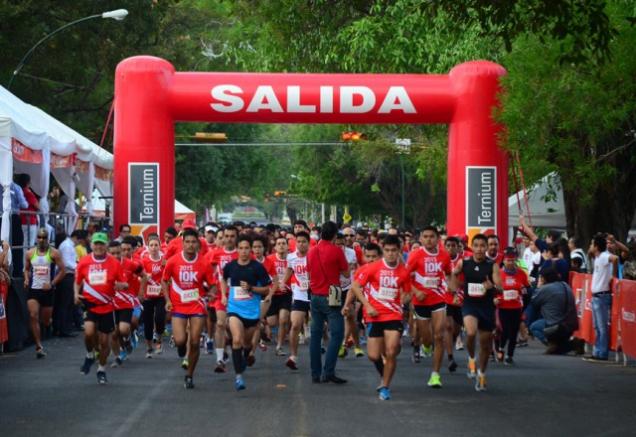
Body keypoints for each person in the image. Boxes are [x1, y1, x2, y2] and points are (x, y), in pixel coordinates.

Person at [349, 235, 411, 400]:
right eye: (387, 250)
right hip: (374, 316)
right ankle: (384, 373)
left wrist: (402, 301)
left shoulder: (404, 272)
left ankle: (385, 386)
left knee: (391, 352)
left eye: (394, 251)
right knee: (374, 356)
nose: (390, 254)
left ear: (399, 252)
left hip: (393, 315)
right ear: (383, 251)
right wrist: (367, 306)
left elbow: (407, 292)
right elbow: (355, 286)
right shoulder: (373, 268)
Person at [162, 228, 217, 389]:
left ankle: (189, 375)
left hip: (197, 305)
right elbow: (164, 281)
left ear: (198, 244)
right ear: (182, 243)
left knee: (194, 342)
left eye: (193, 242)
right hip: (178, 305)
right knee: (180, 340)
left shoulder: (204, 262)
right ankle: (180, 348)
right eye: (187, 242)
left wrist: (211, 294)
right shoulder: (173, 261)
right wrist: (167, 299)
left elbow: (212, 284)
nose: (190, 245)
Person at [450, 233, 502, 392]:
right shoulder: (464, 262)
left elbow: (500, 287)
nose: (479, 249)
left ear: (486, 248)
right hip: (470, 304)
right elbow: (453, 274)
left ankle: (481, 373)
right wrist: (454, 292)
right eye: (476, 245)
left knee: (485, 345)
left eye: (482, 246)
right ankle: (471, 359)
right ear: (472, 247)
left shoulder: (492, 265)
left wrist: (491, 287)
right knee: (471, 333)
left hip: (486, 307)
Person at [221, 234, 272, 391]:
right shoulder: (231, 266)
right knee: (237, 339)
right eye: (241, 248)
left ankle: (244, 357)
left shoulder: (257, 267)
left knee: (247, 344)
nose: (243, 251)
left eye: (246, 248)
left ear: (251, 250)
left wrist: (252, 288)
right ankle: (238, 377)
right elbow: (223, 279)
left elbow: (267, 288)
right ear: (237, 249)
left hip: (251, 312)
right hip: (235, 309)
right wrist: (224, 294)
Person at [75, 232, 127, 384]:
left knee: (105, 342)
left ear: (106, 246)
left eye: (101, 244)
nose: (98, 246)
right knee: (89, 332)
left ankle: (101, 369)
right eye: (96, 243)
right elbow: (78, 281)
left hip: (107, 306)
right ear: (91, 245)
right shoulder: (84, 262)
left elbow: (124, 283)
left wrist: (121, 285)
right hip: (90, 305)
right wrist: (75, 294)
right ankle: (90, 354)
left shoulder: (114, 263)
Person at [406, 226, 451, 389]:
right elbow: (404, 277)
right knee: (427, 337)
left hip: (439, 298)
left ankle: (435, 375)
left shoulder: (444, 256)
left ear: (437, 238)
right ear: (421, 238)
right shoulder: (415, 255)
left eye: (432, 236)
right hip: (421, 301)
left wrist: (451, 288)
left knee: (439, 336)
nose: (429, 239)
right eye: (425, 236)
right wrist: (416, 291)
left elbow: (449, 273)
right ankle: (425, 345)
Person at [306, 221, 350, 384]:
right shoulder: (337, 251)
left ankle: (315, 373)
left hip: (315, 296)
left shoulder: (311, 251)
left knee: (316, 336)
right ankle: (328, 371)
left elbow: (309, 271)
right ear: (334, 235)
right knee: (337, 334)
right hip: (332, 297)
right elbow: (346, 274)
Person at [23, 228, 65, 357]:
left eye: (44, 237)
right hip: (34, 289)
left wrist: (52, 283)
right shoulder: (30, 253)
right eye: (39, 237)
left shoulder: (54, 253)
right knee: (33, 315)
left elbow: (63, 271)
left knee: (45, 321)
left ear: (48, 239)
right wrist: (26, 279)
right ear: (36, 239)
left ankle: (48, 324)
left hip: (48, 290)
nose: (41, 240)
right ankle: (38, 346)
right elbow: (26, 269)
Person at [205, 225, 239, 373]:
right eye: (227, 236)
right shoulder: (215, 254)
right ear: (223, 237)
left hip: (239, 296)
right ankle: (219, 359)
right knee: (220, 324)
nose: (229, 239)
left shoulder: (242, 254)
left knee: (233, 329)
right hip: (220, 295)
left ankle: (233, 344)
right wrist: (210, 288)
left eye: (232, 236)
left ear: (236, 238)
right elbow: (210, 274)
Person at [528, 266, 581, 355]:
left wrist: (538, 287)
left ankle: (554, 345)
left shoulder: (545, 289)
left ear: (544, 278)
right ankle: (572, 344)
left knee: (534, 327)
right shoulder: (565, 285)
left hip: (555, 327)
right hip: (570, 325)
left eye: (541, 277)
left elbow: (534, 302)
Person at [584, 234, 618, 362]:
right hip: (597, 296)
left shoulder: (603, 256)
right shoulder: (597, 257)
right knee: (597, 326)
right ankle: (597, 351)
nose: (590, 247)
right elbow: (589, 253)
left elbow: (615, 258)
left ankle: (602, 353)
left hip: (602, 296)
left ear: (597, 247)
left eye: (592, 244)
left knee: (602, 327)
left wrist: (613, 276)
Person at [495, 247, 529, 364]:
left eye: (513, 260)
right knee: (505, 331)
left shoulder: (521, 274)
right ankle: (500, 349)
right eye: (508, 260)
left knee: (514, 332)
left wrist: (524, 290)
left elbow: (527, 289)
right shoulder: (498, 273)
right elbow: (493, 290)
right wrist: (496, 299)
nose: (510, 263)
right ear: (503, 261)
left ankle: (510, 355)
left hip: (516, 307)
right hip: (503, 307)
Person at [284, 231, 311, 370]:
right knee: (295, 325)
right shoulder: (291, 257)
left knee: (323, 326)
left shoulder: (314, 256)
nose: (301, 244)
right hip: (300, 293)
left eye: (303, 241)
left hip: (315, 293)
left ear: (308, 243)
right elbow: (290, 270)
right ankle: (293, 356)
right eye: (298, 241)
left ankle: (322, 345)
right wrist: (283, 282)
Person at [336, 232, 363, 359]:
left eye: (342, 244)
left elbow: (353, 269)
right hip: (334, 289)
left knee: (350, 315)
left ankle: (345, 344)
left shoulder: (351, 253)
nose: (339, 247)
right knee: (338, 317)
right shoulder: (329, 253)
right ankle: (352, 344)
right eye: (337, 244)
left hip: (349, 288)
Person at [140, 235, 167, 358]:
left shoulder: (164, 260)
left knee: (160, 317)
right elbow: (139, 276)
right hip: (148, 294)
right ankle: (149, 347)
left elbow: (169, 276)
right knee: (148, 321)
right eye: (151, 245)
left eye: (156, 245)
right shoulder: (144, 261)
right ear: (148, 247)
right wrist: (145, 277)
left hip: (161, 294)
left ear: (160, 246)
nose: (154, 247)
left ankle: (159, 339)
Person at [266, 236, 291, 356]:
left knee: (283, 320)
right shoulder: (269, 259)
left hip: (286, 294)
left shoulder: (291, 260)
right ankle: (266, 328)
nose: (281, 245)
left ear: (287, 246)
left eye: (283, 243)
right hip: (272, 294)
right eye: (279, 243)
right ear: (275, 247)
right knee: (271, 322)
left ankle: (279, 346)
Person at [443, 236, 463, 371]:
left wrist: (457, 287)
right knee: (448, 327)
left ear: (458, 247)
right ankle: (450, 358)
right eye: (448, 245)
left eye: (453, 245)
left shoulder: (463, 261)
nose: (450, 248)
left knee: (456, 329)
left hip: (460, 299)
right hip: (444, 298)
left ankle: (452, 342)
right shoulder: (440, 260)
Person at [53, 231, 77, 337]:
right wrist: (79, 268)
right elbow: (67, 263)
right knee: (65, 304)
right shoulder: (67, 246)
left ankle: (64, 328)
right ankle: (64, 329)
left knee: (66, 304)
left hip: (67, 275)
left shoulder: (66, 245)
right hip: (66, 276)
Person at [17, 173, 39, 249]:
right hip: (30, 221)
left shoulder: (19, 191)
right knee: (30, 243)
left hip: (23, 220)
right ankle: (27, 260)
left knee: (26, 242)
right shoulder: (28, 192)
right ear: (27, 182)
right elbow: (37, 205)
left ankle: (25, 260)